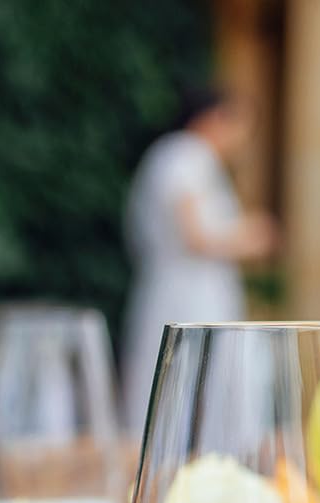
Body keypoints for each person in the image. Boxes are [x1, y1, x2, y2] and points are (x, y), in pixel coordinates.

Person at [121, 87, 278, 431]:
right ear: (215, 117)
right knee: (184, 376)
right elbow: (194, 236)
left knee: (188, 378)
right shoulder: (186, 156)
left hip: (192, 290)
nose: (240, 140)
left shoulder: (181, 157)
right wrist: (249, 237)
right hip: (187, 294)